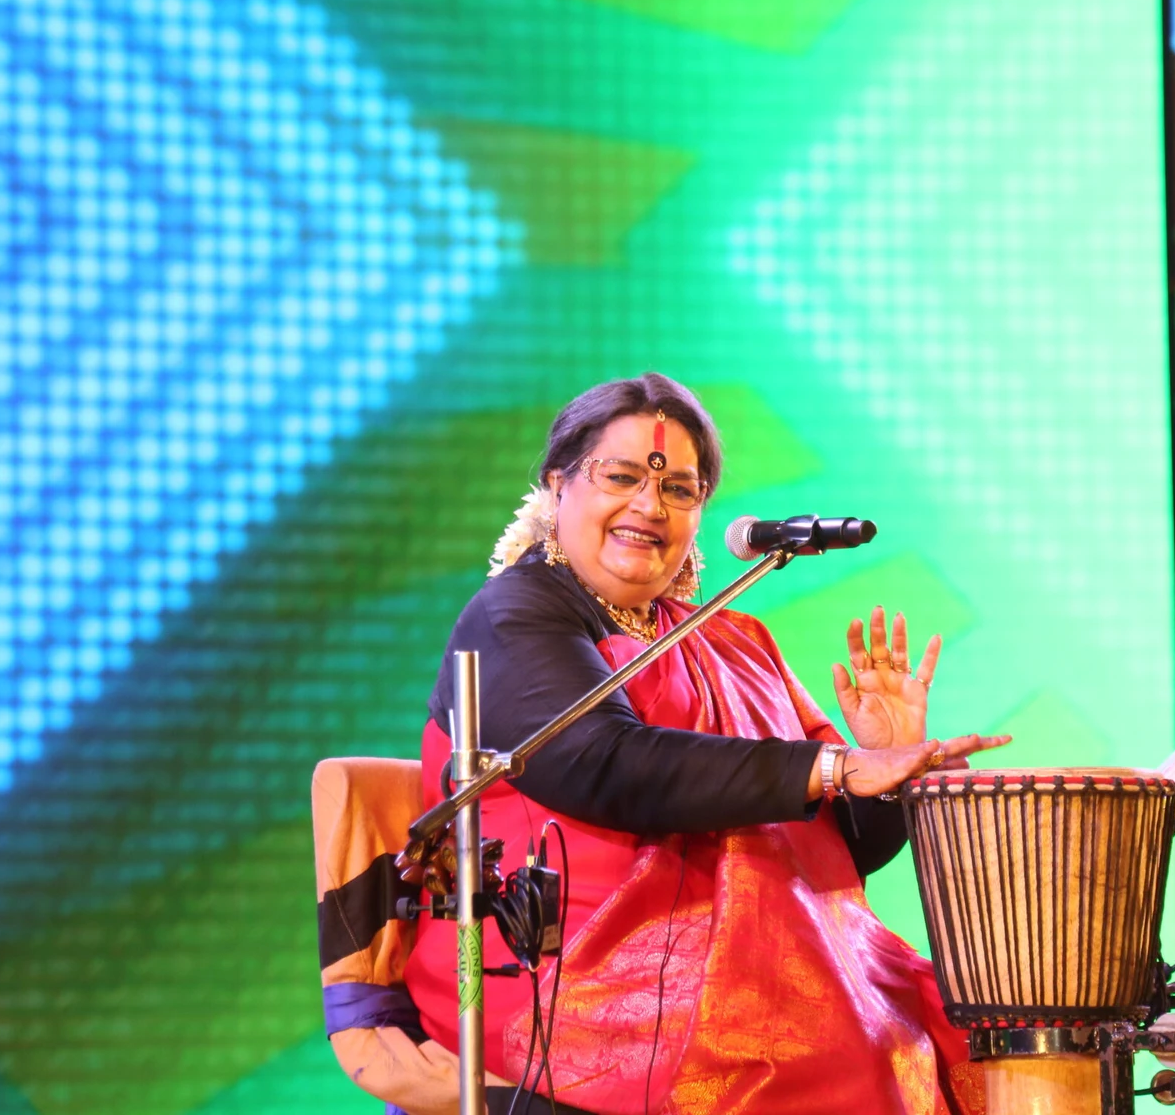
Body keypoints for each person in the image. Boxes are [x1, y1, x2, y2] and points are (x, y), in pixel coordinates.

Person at [404, 373, 1007, 1115]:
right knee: (819, 1056)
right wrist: (833, 767)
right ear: (558, 484)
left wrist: (886, 766)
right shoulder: (514, 615)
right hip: (572, 972)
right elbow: (607, 766)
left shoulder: (734, 640)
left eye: (679, 490)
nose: (648, 506)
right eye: (620, 476)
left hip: (756, 963)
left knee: (953, 1027)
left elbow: (831, 846)